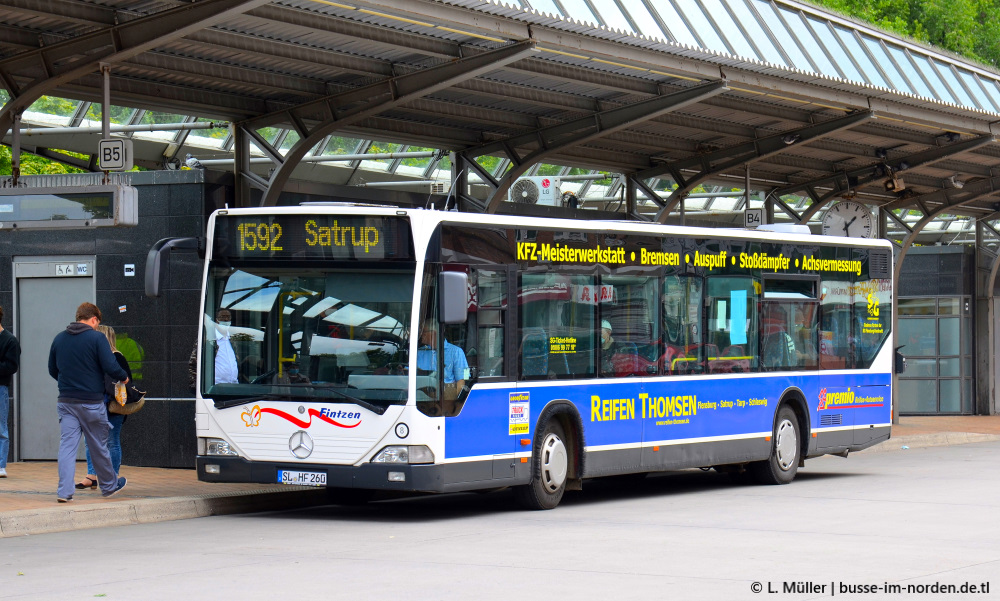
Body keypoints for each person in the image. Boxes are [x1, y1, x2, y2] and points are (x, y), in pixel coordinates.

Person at [48, 302, 128, 502]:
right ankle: (109, 486)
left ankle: (64, 493)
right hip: (91, 402)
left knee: (67, 446)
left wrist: (68, 383)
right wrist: (123, 377)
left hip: (66, 401)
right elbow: (110, 365)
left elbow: (52, 369)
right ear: (94, 319)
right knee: (98, 446)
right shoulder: (97, 337)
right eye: (97, 323)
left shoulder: (59, 339)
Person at [77, 325, 133, 490]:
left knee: (111, 441)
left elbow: (126, 380)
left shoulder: (117, 357)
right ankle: (92, 476)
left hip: (112, 406)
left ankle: (112, 477)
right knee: (90, 441)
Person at [416, 320, 469, 407]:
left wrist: (448, 402)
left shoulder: (456, 352)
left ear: (434, 333)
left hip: (446, 398)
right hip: (420, 398)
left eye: (423, 331)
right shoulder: (419, 352)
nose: (421, 334)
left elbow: (463, 380)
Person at [0, 305, 21, 479]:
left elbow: (12, 366)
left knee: (1, 427)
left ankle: (1, 466)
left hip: (0, 388)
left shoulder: (9, 340)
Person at [213, 309, 239, 384]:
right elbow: (195, 364)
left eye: (228, 317)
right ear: (216, 320)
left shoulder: (232, 339)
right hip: (216, 387)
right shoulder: (209, 339)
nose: (226, 319)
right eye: (223, 317)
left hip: (233, 385)